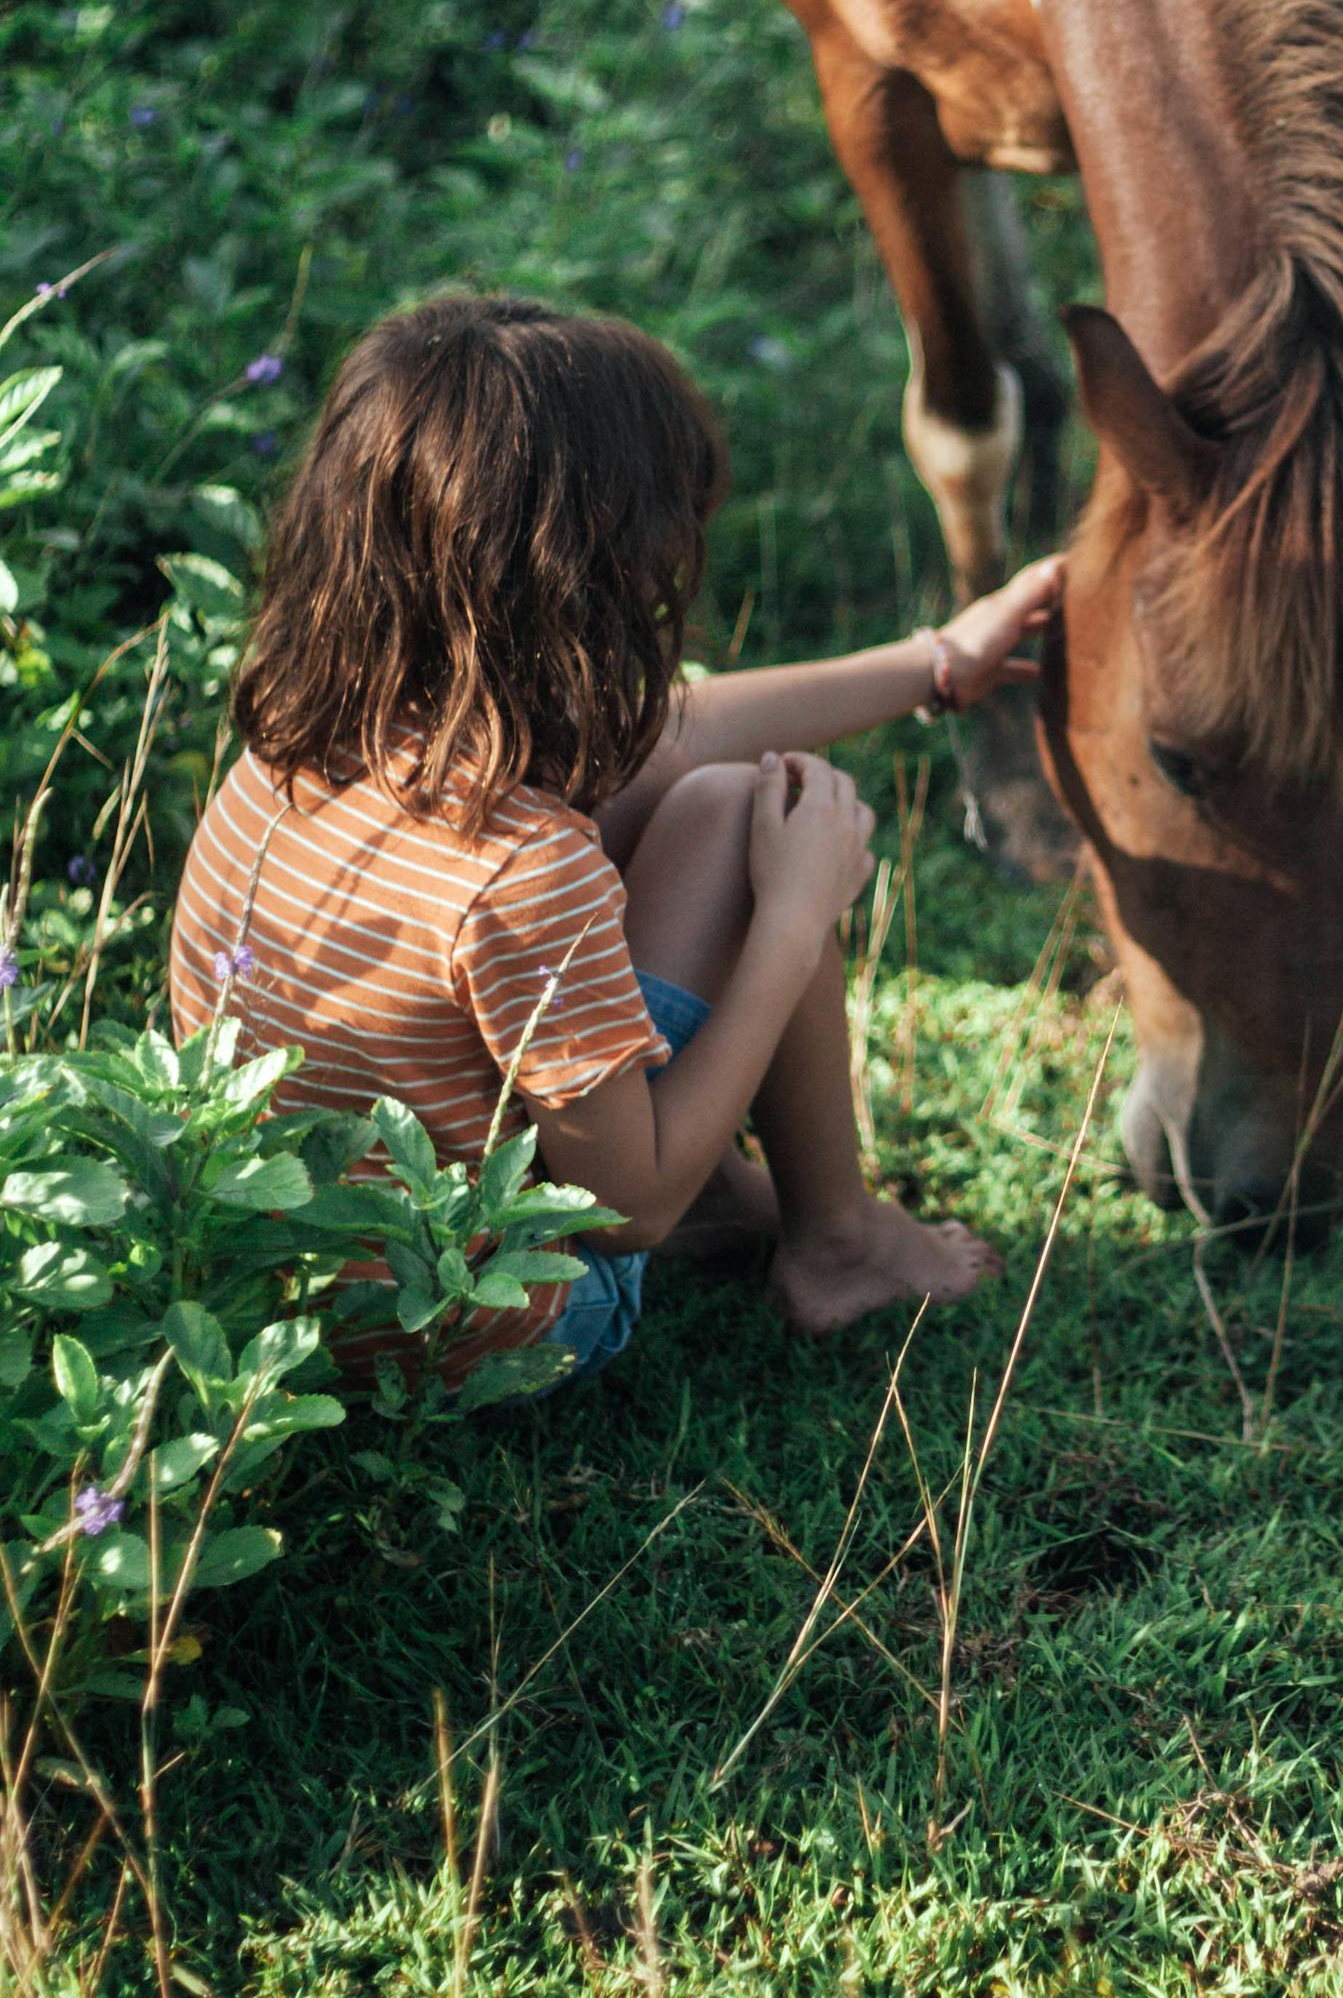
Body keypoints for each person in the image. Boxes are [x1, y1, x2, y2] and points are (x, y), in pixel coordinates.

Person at [170, 292, 1059, 1384]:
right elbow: (627, 1212)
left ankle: (734, 1194)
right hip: (477, 1318)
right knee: (752, 825)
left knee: (708, 796)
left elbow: (675, 738)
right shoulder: (522, 870)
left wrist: (935, 665)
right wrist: (793, 917)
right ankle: (837, 1245)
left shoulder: (306, 739)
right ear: (592, 578)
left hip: (292, 1272)